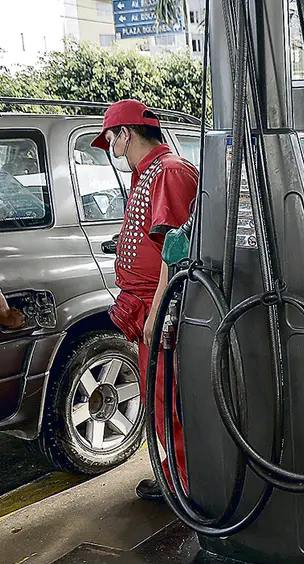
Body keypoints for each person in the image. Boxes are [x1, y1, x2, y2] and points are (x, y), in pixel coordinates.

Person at [93, 100, 198, 501]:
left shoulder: (169, 171)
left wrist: (157, 313)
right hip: (147, 306)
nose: (112, 147)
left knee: (170, 400)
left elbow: (178, 250)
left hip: (164, 309)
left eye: (111, 138)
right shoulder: (149, 173)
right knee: (159, 399)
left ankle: (187, 485)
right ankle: (175, 476)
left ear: (127, 133)